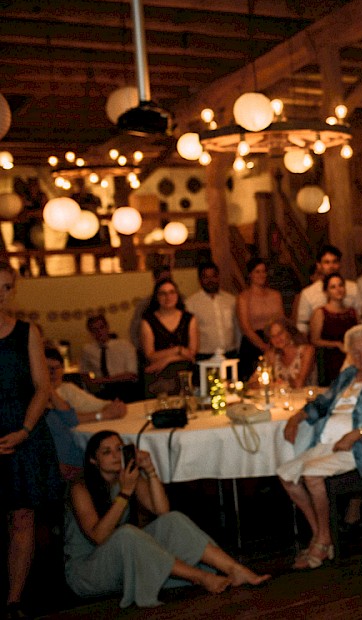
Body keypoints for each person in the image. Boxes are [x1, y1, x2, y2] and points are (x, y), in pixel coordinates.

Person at [65, 430, 269, 608]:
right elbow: (99, 537)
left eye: (119, 449)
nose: (116, 456)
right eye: (106, 452)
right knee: (127, 534)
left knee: (173, 520)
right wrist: (125, 492)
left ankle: (234, 569)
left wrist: (150, 470)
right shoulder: (81, 488)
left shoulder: (127, 478)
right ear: (93, 460)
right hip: (89, 572)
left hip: (124, 559)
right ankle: (201, 578)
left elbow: (163, 511)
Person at [278, 325, 362, 569]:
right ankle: (321, 536)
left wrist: (358, 434)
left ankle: (322, 543)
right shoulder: (348, 374)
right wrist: (297, 417)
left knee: (312, 474)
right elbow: (323, 402)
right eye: (356, 352)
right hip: (329, 443)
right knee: (286, 475)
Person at [0, 261, 62, 618]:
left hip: (23, 431)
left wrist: (24, 430)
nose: (1, 294)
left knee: (23, 515)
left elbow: (43, 387)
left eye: (8, 287)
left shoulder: (27, 331)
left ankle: (14, 600)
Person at [43, 346, 127, 478]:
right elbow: (67, 420)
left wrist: (112, 406)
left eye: (57, 368)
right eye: (47, 368)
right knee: (110, 458)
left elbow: (73, 415)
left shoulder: (66, 389)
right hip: (61, 464)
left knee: (118, 460)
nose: (53, 373)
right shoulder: (35, 398)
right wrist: (104, 415)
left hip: (75, 456)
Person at [140, 278, 199, 398]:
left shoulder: (189, 319)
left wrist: (167, 359)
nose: (168, 297)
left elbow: (191, 354)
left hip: (185, 375)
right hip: (158, 376)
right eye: (163, 293)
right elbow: (150, 355)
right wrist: (178, 350)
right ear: (157, 297)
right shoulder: (148, 321)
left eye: (172, 292)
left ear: (177, 295)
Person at [236, 258, 285, 381]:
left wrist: (275, 343)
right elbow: (245, 327)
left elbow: (281, 321)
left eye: (263, 271)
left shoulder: (275, 295)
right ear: (250, 275)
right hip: (253, 343)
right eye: (257, 272)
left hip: (275, 339)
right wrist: (263, 346)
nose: (261, 275)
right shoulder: (243, 297)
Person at [295, 245, 360, 334]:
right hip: (320, 342)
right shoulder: (308, 293)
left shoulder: (353, 288)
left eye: (335, 262)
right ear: (319, 265)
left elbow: (361, 316)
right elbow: (302, 324)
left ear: (340, 264)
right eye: (327, 262)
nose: (331, 266)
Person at [309, 272, 358, 386]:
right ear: (326, 292)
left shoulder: (352, 312)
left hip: (351, 358)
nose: (338, 289)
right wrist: (336, 344)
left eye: (340, 285)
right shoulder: (320, 312)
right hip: (329, 360)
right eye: (333, 287)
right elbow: (315, 340)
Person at [185, 262, 240, 361]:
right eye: (206, 277)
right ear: (200, 280)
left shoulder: (231, 300)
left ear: (218, 277)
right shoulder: (190, 304)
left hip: (230, 354)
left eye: (213, 276)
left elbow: (237, 327)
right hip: (205, 356)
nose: (210, 280)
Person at [80, 314, 140, 402]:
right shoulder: (88, 350)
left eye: (101, 327)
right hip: (102, 390)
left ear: (107, 327)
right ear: (90, 333)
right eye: (94, 330)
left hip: (124, 387)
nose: (99, 332)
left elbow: (131, 374)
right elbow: (84, 371)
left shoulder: (124, 345)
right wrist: (91, 384)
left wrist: (102, 380)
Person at [262, 318, 316, 389]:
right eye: (273, 336)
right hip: (281, 399)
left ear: (289, 332)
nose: (277, 338)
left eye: (280, 333)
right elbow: (255, 382)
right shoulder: (272, 355)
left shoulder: (306, 351)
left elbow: (299, 384)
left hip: (307, 398)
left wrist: (276, 384)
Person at [129, 264, 172, 350]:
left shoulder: (180, 301)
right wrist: (144, 349)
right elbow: (134, 331)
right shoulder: (144, 305)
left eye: (169, 279)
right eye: (163, 280)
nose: (166, 283)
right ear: (155, 280)